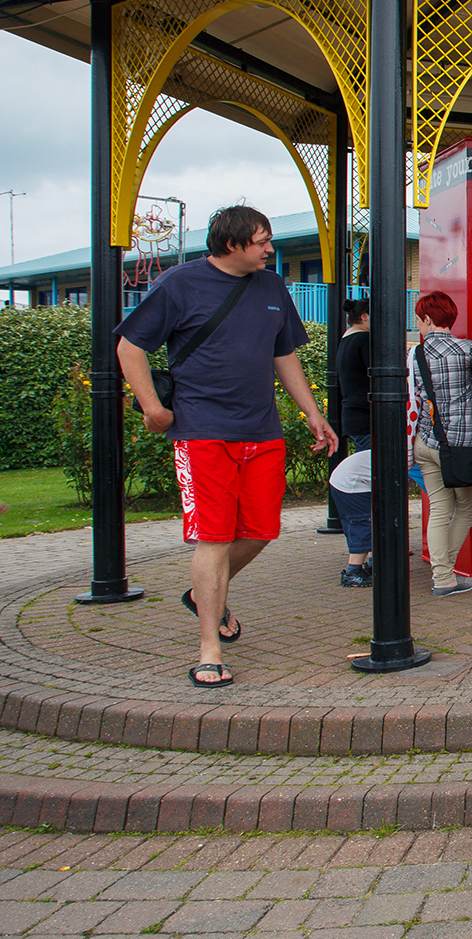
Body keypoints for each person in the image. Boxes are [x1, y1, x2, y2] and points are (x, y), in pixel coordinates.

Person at [116, 205, 337, 688]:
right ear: (232, 244)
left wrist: (313, 414)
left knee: (261, 530)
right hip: (201, 432)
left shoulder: (273, 287)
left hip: (262, 431)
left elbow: (285, 356)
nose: (270, 249)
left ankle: (203, 593)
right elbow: (130, 347)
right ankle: (209, 649)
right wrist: (151, 407)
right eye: (262, 241)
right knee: (212, 536)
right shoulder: (179, 284)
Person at [410, 291, 472, 598]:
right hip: (458, 446)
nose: (418, 325)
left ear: (428, 318)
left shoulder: (415, 354)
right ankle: (445, 573)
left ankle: (444, 577)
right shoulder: (469, 350)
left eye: (419, 319)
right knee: (468, 505)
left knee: (439, 508)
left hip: (425, 441)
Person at [327, 447, 373, 587]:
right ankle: (352, 572)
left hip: (349, 479)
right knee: (363, 525)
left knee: (375, 523)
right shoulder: (413, 459)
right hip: (351, 484)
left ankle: (372, 564)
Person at [336, 298, 372, 451]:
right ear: (364, 316)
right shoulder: (363, 340)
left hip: (353, 418)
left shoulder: (346, 339)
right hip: (365, 419)